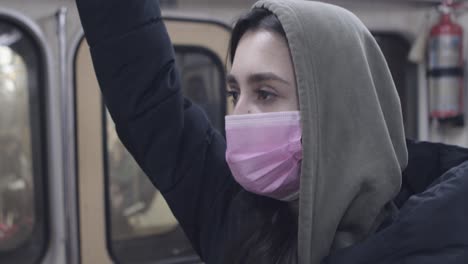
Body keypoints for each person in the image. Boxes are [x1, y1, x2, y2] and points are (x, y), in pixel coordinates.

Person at [75, 0, 468, 263]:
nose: (240, 115)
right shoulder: (235, 214)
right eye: (234, 92)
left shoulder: (435, 235)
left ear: (335, 110)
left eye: (265, 93)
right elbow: (146, 98)